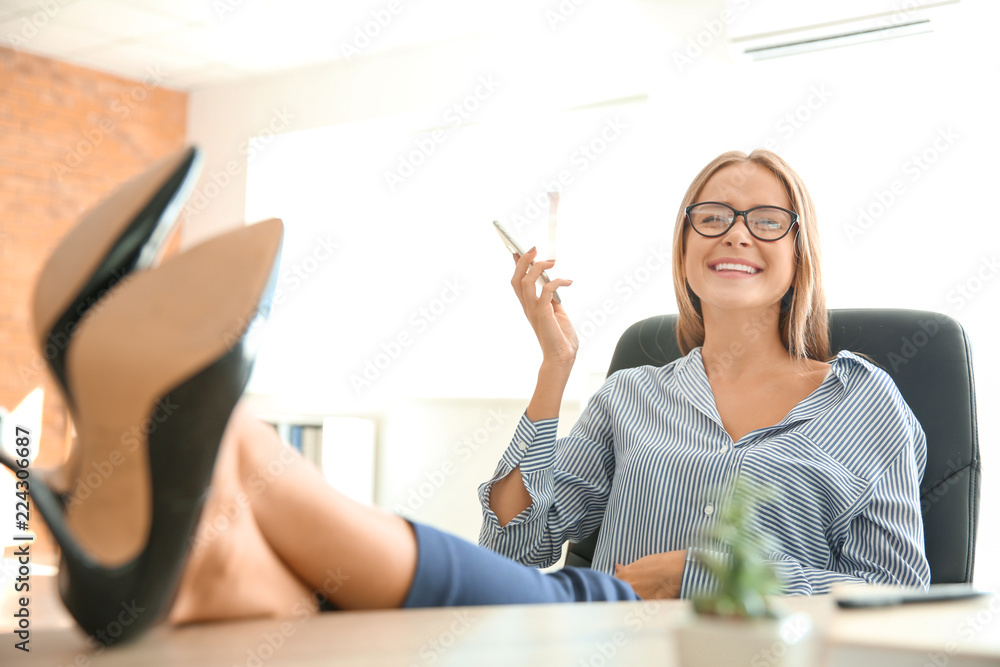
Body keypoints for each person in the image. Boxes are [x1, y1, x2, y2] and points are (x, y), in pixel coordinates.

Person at [480, 149, 930, 600]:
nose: (736, 234)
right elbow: (511, 547)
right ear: (684, 251)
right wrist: (555, 367)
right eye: (713, 219)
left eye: (768, 221)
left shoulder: (865, 401)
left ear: (799, 256)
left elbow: (896, 594)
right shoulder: (628, 397)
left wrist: (704, 575)